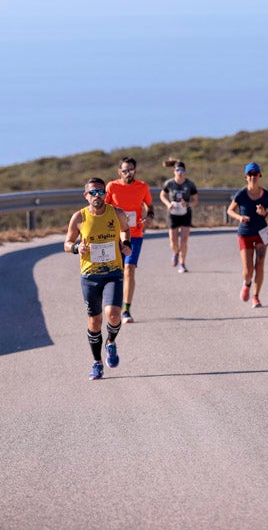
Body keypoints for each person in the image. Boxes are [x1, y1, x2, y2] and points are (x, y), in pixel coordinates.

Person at [65, 177, 133, 381]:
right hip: (90, 276)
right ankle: (97, 363)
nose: (97, 196)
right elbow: (67, 243)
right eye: (92, 192)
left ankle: (111, 342)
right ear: (86, 196)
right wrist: (77, 248)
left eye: (100, 192)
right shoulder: (79, 217)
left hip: (113, 272)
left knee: (113, 314)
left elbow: (125, 230)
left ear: (105, 194)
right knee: (94, 321)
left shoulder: (116, 213)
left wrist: (126, 243)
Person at [105, 157, 155, 323]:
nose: (128, 173)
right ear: (120, 172)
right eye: (125, 170)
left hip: (135, 234)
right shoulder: (112, 186)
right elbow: (102, 208)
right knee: (114, 271)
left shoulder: (142, 187)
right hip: (114, 235)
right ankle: (112, 306)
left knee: (129, 269)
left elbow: (150, 207)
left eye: (131, 170)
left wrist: (149, 217)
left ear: (135, 170)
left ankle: (126, 309)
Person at [226, 162, 268, 308]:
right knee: (248, 271)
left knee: (259, 266)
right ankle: (247, 283)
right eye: (250, 174)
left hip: (261, 233)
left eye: (255, 174)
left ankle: (256, 296)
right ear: (246, 177)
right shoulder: (241, 194)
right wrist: (239, 217)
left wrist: (264, 213)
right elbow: (230, 210)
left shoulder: (267, 195)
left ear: (260, 176)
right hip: (245, 233)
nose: (253, 177)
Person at [160, 159, 199, 273]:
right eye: (177, 170)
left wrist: (187, 204)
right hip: (173, 213)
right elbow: (162, 195)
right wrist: (168, 204)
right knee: (173, 241)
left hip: (185, 212)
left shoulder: (190, 184)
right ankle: (176, 252)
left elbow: (195, 200)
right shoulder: (169, 183)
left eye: (182, 170)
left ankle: (182, 263)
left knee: (184, 240)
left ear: (185, 171)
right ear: (174, 171)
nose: (180, 172)